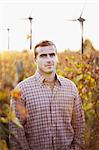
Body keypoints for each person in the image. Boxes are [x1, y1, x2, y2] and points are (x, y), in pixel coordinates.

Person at [9, 40, 85, 150]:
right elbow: (16, 130)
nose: (49, 59)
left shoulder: (71, 87)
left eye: (52, 55)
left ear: (57, 58)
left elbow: (79, 125)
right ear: (35, 60)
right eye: (43, 56)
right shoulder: (21, 90)